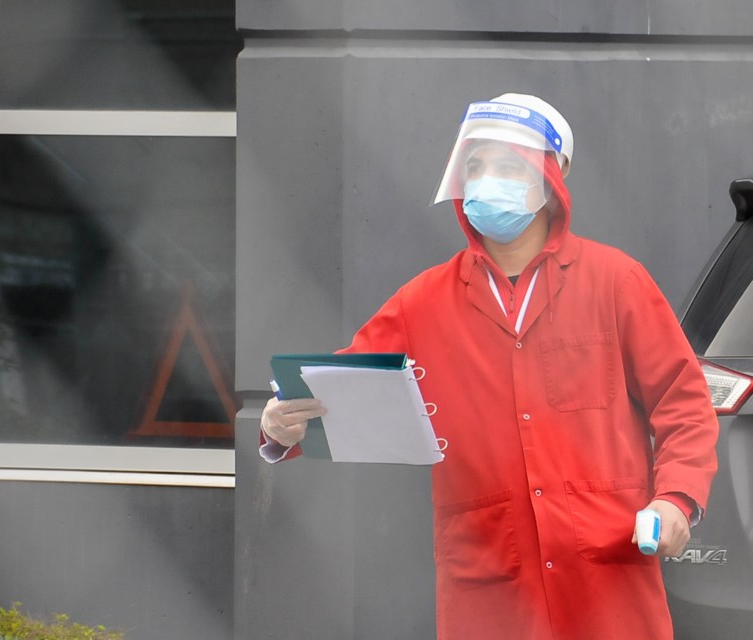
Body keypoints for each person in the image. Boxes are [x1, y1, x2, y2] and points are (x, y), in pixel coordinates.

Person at [259, 93, 720, 639]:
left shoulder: (616, 282)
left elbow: (684, 403)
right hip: (489, 593)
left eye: (507, 165)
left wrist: (676, 500)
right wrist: (280, 424)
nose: (485, 180)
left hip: (607, 584)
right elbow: (337, 385)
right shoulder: (423, 302)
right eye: (474, 166)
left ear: (555, 174)